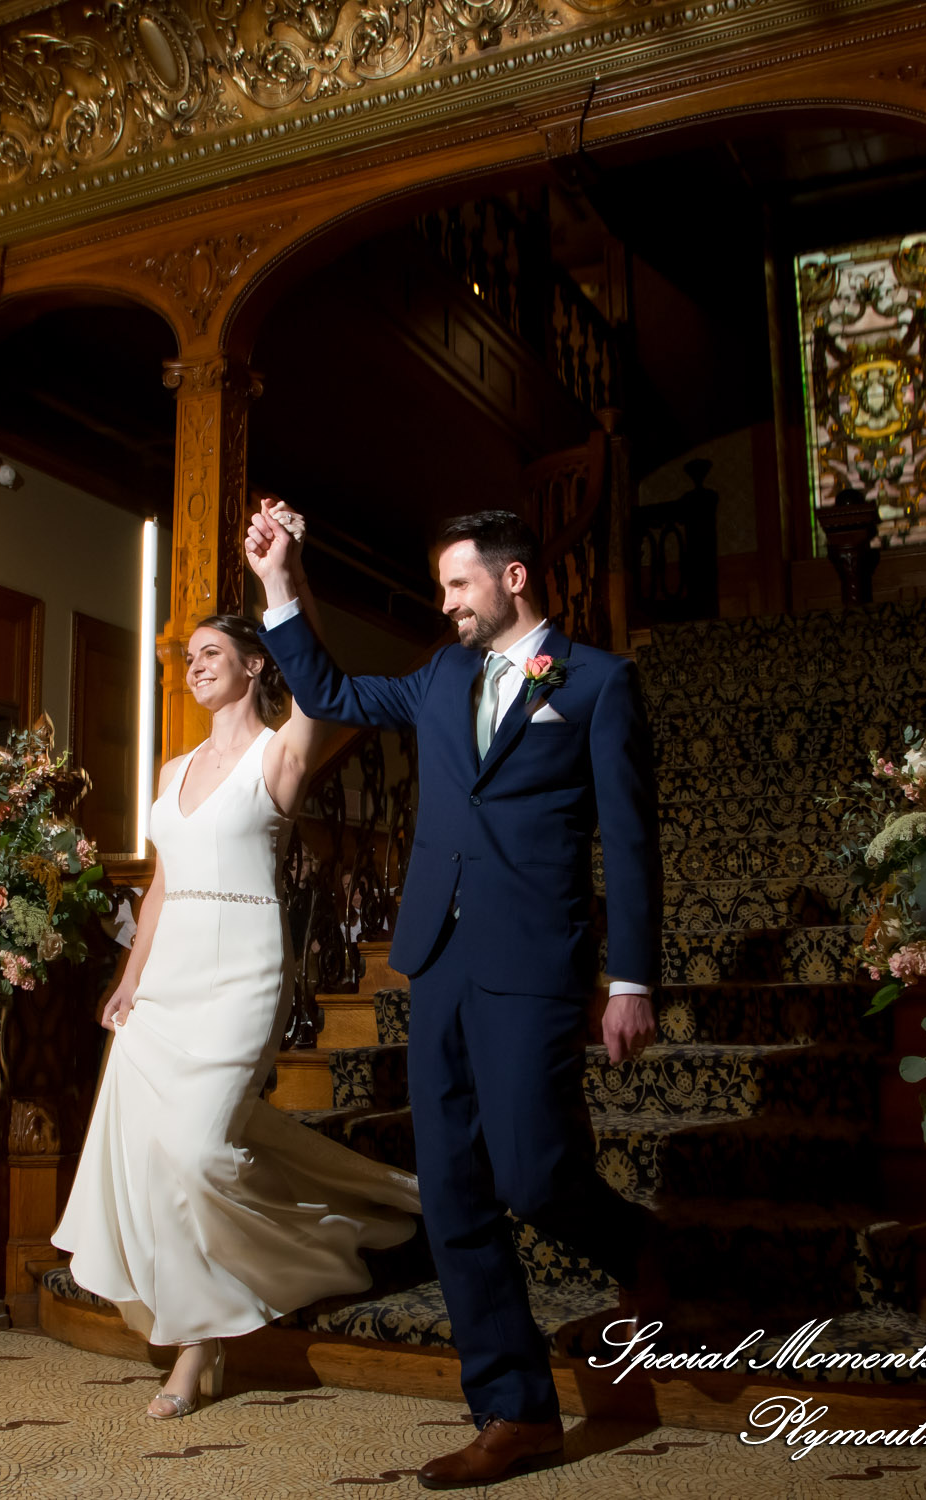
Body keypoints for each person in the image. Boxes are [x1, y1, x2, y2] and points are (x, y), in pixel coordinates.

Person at [246, 503, 662, 1490]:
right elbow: (329, 686)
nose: (445, 604)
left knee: (533, 1172)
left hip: (536, 962)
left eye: (457, 584)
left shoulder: (599, 684)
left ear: (513, 579)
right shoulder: (439, 676)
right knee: (456, 1192)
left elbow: (632, 840)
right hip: (435, 958)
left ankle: (638, 1246)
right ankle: (515, 1410)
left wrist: (632, 978)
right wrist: (277, 581)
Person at [52, 605, 420, 1420]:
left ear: (256, 665)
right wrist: (127, 978)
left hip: (241, 972)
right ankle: (200, 1345)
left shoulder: (280, 751)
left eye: (211, 652)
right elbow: (157, 888)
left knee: (194, 1152)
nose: (194, 666)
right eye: (188, 656)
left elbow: (319, 682)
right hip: (163, 982)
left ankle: (326, 1241)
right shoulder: (169, 768)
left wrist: (286, 588)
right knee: (154, 1158)